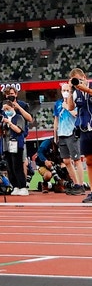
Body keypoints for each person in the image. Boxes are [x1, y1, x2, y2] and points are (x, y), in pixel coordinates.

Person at [64, 68, 92, 203]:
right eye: (75, 81)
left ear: (84, 77)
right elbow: (70, 107)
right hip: (84, 129)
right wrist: (70, 90)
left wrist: (84, 88)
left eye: (79, 80)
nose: (78, 83)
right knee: (89, 161)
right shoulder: (76, 92)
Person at [54, 81, 85, 195]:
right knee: (66, 160)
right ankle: (75, 183)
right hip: (61, 133)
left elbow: (76, 114)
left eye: (67, 90)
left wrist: (67, 106)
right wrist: (55, 134)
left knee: (77, 160)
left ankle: (81, 185)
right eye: (64, 90)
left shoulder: (74, 102)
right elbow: (56, 119)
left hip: (72, 133)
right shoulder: (58, 103)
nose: (65, 92)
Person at [0, 97, 29, 196]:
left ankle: (23, 186)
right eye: (4, 110)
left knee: (17, 166)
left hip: (16, 145)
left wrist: (9, 123)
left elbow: (19, 130)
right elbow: (1, 133)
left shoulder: (19, 118)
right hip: (6, 145)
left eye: (7, 109)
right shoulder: (4, 119)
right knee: (10, 167)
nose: (6, 111)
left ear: (12, 108)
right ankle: (15, 186)